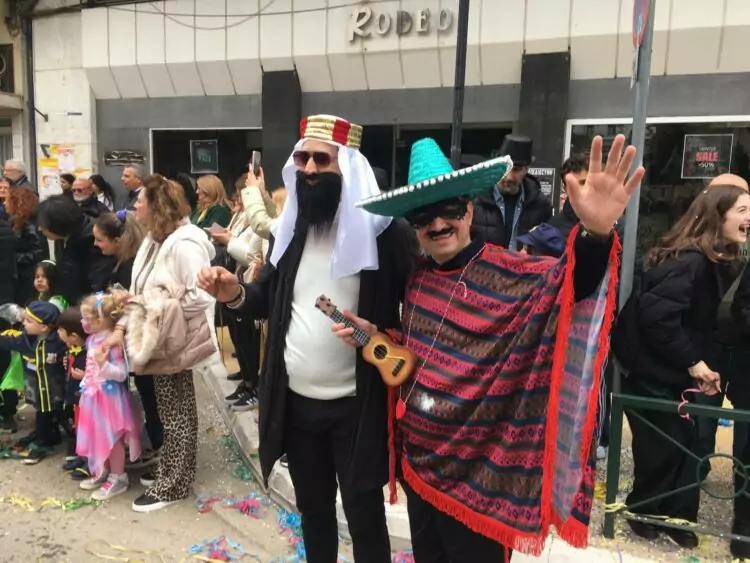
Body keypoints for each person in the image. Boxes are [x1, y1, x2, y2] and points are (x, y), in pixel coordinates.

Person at [334, 134, 640, 560]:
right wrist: (378, 337)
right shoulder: (419, 276)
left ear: (469, 210)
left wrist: (596, 234)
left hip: (479, 481)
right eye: (423, 217)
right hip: (420, 468)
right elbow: (424, 351)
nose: (438, 225)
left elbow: (571, 286)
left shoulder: (509, 272)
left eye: (449, 211)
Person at [198, 115, 418, 563]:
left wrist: (382, 334)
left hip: (356, 409)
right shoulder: (294, 229)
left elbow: (417, 314)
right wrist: (235, 293)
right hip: (297, 406)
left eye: (322, 159)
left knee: (364, 517)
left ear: (347, 167)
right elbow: (267, 299)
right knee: (313, 512)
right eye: (302, 160)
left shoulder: (387, 234)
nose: (310, 169)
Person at [612, 184, 750, 549]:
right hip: (648, 367)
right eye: (742, 210)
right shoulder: (688, 260)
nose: (749, 218)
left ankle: (679, 518)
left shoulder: (719, 259)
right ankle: (644, 512)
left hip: (673, 366)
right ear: (717, 215)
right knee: (662, 445)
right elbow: (657, 317)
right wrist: (693, 362)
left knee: (688, 444)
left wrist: (699, 364)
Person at [117, 175, 215, 513]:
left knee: (177, 413)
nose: (135, 206)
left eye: (140, 201)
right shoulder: (156, 238)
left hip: (174, 339)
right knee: (168, 409)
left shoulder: (184, 244)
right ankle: (171, 470)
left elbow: (201, 295)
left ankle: (174, 484)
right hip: (160, 336)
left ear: (156, 207)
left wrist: (154, 308)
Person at [93, 211, 161, 466]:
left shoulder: (129, 267)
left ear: (118, 240)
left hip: (141, 337)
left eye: (100, 240)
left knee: (150, 393)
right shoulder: (127, 261)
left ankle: (159, 449)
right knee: (147, 392)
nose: (96, 245)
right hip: (137, 335)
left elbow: (130, 305)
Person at [75, 290, 141, 500]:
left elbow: (121, 374)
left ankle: (118, 477)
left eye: (87, 318)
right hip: (92, 395)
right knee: (96, 435)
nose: (83, 322)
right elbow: (92, 369)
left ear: (101, 320)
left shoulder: (113, 343)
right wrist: (86, 377)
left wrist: (103, 366)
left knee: (112, 439)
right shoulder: (92, 340)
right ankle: (103, 470)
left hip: (109, 399)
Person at [210, 184, 263, 410]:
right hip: (237, 280)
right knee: (239, 338)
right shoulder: (241, 218)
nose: (239, 201)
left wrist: (229, 241)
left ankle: (253, 387)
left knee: (249, 341)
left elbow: (252, 256)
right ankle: (246, 381)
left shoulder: (261, 226)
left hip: (249, 285)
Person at [0, 301, 68, 464]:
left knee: (59, 416)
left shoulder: (61, 340)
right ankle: (47, 436)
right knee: (41, 412)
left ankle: (46, 443)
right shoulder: (24, 339)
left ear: (44, 327)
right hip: (36, 389)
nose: (23, 323)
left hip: (57, 390)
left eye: (29, 321)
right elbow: (5, 339)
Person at [471, 134, 552, 250]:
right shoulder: (474, 200)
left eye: (516, 170)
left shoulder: (541, 205)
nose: (509, 177)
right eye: (505, 168)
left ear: (527, 169)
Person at [34, 195, 115, 305]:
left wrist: (91, 308)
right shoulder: (67, 239)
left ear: (57, 225)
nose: (40, 229)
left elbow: (99, 284)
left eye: (44, 226)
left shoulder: (92, 244)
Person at [56, 307, 87, 473]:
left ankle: (92, 461)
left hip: (86, 398)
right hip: (76, 398)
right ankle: (82, 455)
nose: (58, 333)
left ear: (73, 336)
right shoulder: (73, 349)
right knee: (79, 426)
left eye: (61, 330)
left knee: (88, 428)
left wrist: (85, 376)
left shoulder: (89, 351)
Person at [5, 186, 43, 304]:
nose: (5, 203)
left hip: (27, 277)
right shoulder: (15, 222)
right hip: (21, 275)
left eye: (7, 200)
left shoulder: (29, 225)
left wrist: (13, 257)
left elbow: (38, 252)